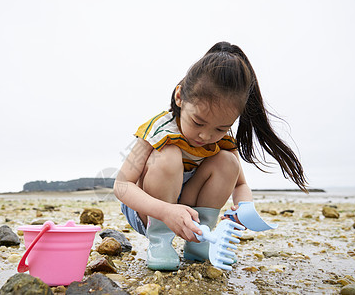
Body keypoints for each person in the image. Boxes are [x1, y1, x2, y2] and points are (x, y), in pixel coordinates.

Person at [113, 42, 307, 270]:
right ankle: (160, 242)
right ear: (179, 97)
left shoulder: (223, 139)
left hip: (189, 207)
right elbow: (122, 186)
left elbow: (241, 184)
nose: (205, 135)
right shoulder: (158, 130)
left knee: (227, 161)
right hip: (149, 210)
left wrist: (244, 208)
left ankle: (199, 240)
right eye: (198, 122)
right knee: (169, 154)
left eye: (220, 128)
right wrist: (165, 211)